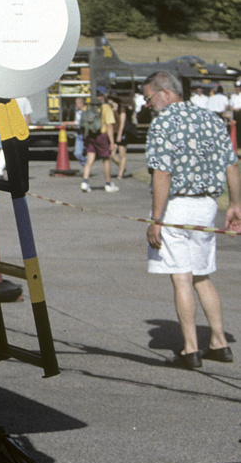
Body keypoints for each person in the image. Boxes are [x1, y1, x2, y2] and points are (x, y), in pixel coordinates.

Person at [142, 70, 241, 369]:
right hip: (207, 206)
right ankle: (220, 342)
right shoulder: (211, 119)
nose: (147, 104)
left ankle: (190, 349)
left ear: (165, 93)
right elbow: (231, 164)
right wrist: (235, 203)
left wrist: (156, 219)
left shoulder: (163, 123)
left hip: (176, 207)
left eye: (149, 98)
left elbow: (162, 172)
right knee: (202, 274)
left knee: (181, 276)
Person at [79, 86, 118, 193]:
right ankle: (108, 184)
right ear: (104, 95)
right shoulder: (106, 107)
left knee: (90, 159)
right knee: (106, 160)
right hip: (101, 136)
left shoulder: (89, 106)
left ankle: (85, 182)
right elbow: (109, 125)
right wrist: (112, 142)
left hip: (90, 135)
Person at [108, 91, 130, 180]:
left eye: (109, 100)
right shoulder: (110, 110)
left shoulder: (121, 109)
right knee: (112, 155)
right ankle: (122, 167)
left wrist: (119, 135)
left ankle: (120, 174)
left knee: (122, 153)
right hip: (113, 133)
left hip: (122, 133)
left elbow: (122, 124)